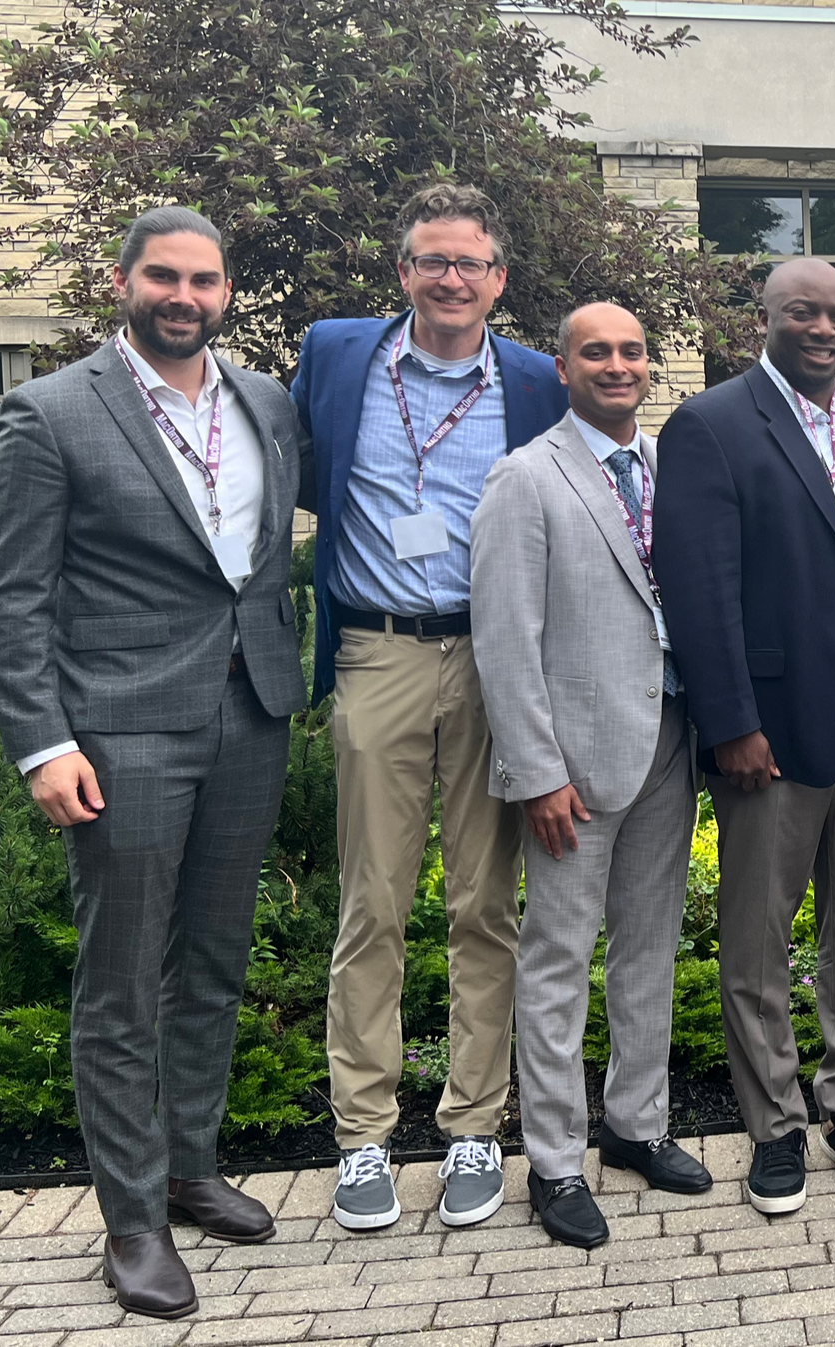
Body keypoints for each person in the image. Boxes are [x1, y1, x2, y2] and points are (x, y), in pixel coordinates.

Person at [0, 207, 306, 1318]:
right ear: (125, 282)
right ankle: (132, 1222)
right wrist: (42, 742)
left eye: (204, 280)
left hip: (249, 714)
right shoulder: (51, 412)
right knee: (120, 982)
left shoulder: (264, 402)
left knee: (211, 961)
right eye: (163, 276)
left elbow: (256, 565)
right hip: (120, 731)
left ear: (226, 292)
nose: (184, 296)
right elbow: (10, 598)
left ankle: (189, 1166)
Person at [291, 184, 569, 1231]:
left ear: (499, 280)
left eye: (471, 264)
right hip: (378, 652)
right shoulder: (335, 355)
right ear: (402, 270)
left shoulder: (536, 380)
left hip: (498, 661)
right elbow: (294, 473)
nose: (451, 279)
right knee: (373, 903)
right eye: (432, 261)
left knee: (485, 906)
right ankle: (362, 1136)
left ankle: (471, 1127)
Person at [650, 259, 835, 1216]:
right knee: (759, 935)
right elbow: (697, 587)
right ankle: (774, 1125)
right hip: (768, 723)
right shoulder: (711, 424)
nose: (823, 329)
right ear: (764, 316)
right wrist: (732, 722)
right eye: (803, 311)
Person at [470, 302, 713, 1249]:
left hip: (669, 742)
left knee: (649, 948)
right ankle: (555, 1161)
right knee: (559, 959)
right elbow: (504, 639)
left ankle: (636, 1125)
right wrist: (535, 771)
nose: (618, 365)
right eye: (597, 352)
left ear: (650, 365)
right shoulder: (526, 478)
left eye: (633, 351)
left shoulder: (670, 469)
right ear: (562, 367)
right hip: (571, 764)